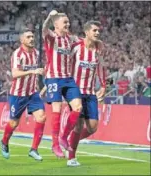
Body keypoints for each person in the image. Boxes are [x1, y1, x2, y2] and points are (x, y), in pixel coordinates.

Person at [63, 20, 106, 166]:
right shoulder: (75, 47)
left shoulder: (99, 48)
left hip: (90, 93)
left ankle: (70, 142)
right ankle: (71, 157)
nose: (97, 33)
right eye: (94, 30)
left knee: (93, 127)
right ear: (86, 32)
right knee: (78, 125)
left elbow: (101, 67)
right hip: (76, 92)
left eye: (98, 31)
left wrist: (104, 85)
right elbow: (64, 63)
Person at [0, 28, 46, 161]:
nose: (32, 39)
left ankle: (34, 149)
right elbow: (15, 74)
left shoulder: (36, 53)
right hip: (18, 94)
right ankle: (4, 142)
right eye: (28, 37)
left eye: (32, 36)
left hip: (32, 93)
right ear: (22, 40)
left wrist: (41, 73)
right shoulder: (17, 54)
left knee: (42, 117)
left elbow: (36, 71)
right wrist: (32, 72)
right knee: (14, 123)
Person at [41, 10, 82, 158]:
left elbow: (84, 42)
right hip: (54, 79)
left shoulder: (71, 38)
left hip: (68, 79)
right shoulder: (52, 37)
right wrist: (49, 18)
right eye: (65, 22)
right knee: (56, 109)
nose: (68, 24)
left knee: (78, 107)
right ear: (56, 25)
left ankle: (63, 136)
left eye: (68, 22)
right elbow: (44, 29)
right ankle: (55, 145)